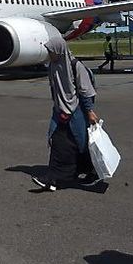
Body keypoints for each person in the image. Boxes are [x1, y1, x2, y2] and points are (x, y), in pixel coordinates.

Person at [31, 34, 99, 192]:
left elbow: (86, 91)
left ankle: (90, 171)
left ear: (59, 50)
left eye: (51, 51)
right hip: (60, 111)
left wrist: (89, 111)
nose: (49, 54)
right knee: (58, 142)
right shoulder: (53, 66)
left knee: (81, 144)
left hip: (77, 113)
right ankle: (52, 178)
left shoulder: (76, 66)